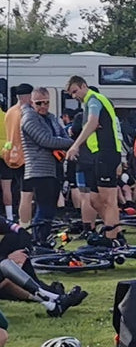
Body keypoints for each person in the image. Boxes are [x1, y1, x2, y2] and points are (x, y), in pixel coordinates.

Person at [64, 76, 126, 246]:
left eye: (75, 91)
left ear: (84, 86)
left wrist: (75, 146)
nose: (74, 96)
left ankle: (111, 237)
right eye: (71, 94)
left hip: (107, 152)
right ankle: (115, 231)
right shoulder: (88, 104)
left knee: (108, 200)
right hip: (97, 155)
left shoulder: (94, 100)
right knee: (94, 200)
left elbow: (92, 122)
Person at [20, 88, 72, 246]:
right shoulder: (29, 118)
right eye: (39, 103)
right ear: (31, 102)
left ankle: (41, 239)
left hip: (53, 168)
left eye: (46, 102)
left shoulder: (51, 117)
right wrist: (73, 143)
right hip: (39, 169)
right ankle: (37, 241)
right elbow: (46, 140)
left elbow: (61, 136)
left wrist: (63, 142)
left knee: (49, 208)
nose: (43, 106)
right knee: (44, 208)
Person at [4, 83, 33, 227]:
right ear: (28, 96)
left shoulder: (9, 112)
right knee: (26, 194)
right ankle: (25, 224)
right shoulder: (25, 112)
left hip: (11, 157)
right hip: (26, 157)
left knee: (20, 191)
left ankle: (19, 220)